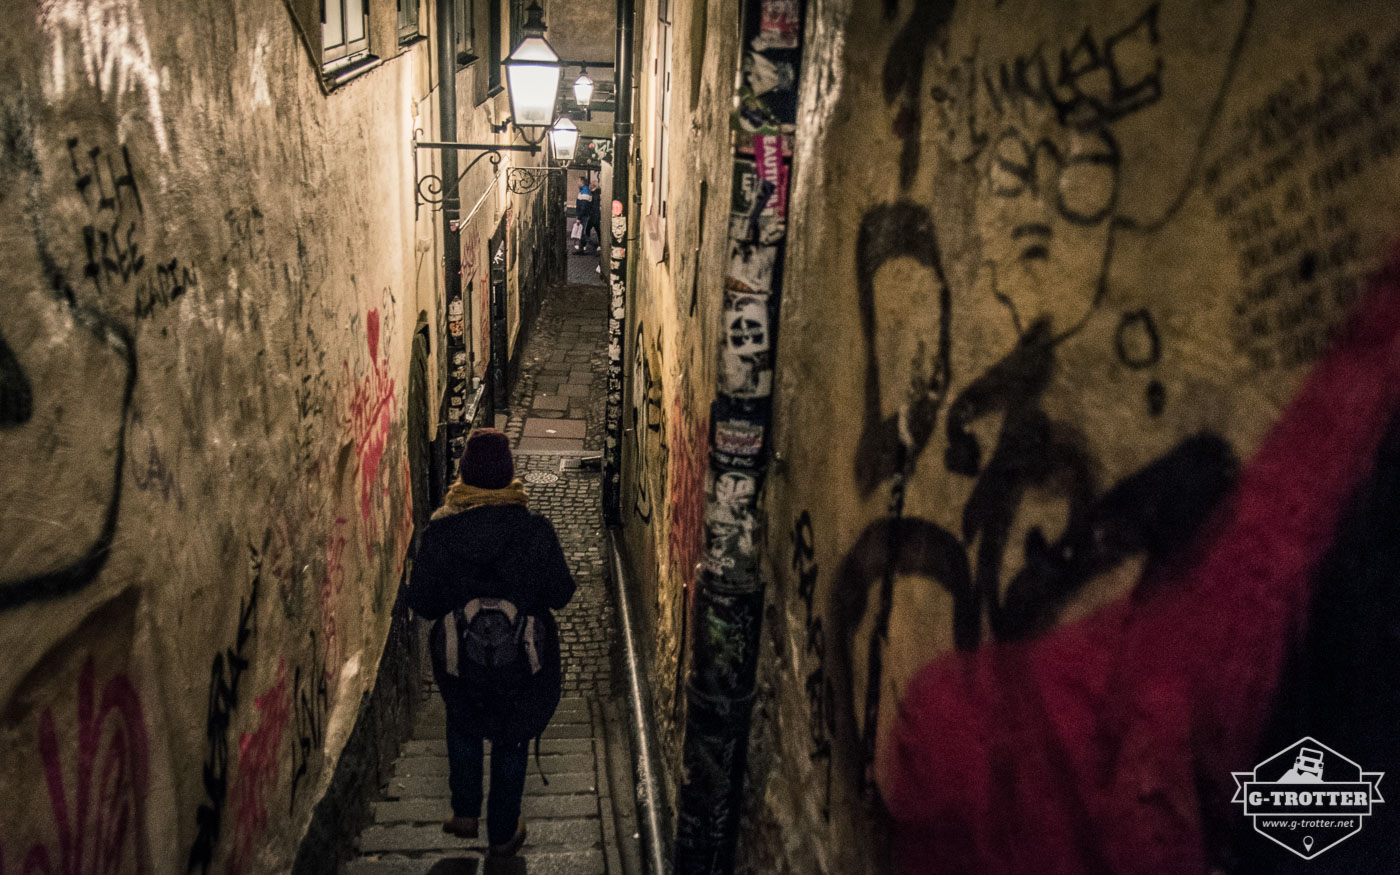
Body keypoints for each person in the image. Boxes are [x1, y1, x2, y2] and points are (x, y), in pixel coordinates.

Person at [404, 428, 576, 857]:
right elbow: (562, 593)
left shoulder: (441, 533)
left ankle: (464, 810)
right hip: (523, 663)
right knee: (512, 733)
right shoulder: (535, 530)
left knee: (462, 716)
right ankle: (502, 832)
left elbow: (423, 603)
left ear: (463, 477)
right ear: (509, 475)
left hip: (460, 661)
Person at [575, 176, 600, 254]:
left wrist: (579, 217)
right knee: (584, 232)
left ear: (582, 182)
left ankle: (592, 245)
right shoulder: (584, 191)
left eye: (578, 181)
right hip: (588, 215)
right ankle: (581, 248)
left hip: (586, 216)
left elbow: (584, 206)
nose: (577, 183)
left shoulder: (585, 191)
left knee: (584, 232)